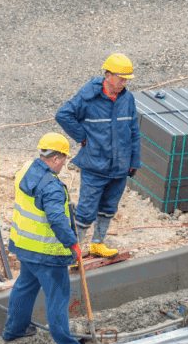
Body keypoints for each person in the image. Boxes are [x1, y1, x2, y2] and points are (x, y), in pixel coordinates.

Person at [3, 133, 95, 344]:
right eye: (64, 159)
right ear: (55, 158)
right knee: (58, 299)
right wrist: (73, 245)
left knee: (25, 286)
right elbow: (56, 220)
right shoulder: (52, 187)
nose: (64, 163)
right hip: (47, 254)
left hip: (25, 246)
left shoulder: (26, 170)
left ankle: (14, 330)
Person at [55, 54, 140, 258]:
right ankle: (74, 253)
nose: (124, 82)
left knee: (109, 207)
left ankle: (97, 243)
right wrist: (83, 138)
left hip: (119, 167)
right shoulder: (88, 97)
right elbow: (63, 114)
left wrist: (134, 161)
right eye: (121, 78)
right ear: (109, 76)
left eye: (126, 79)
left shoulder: (127, 99)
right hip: (95, 166)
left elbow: (134, 131)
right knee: (85, 211)